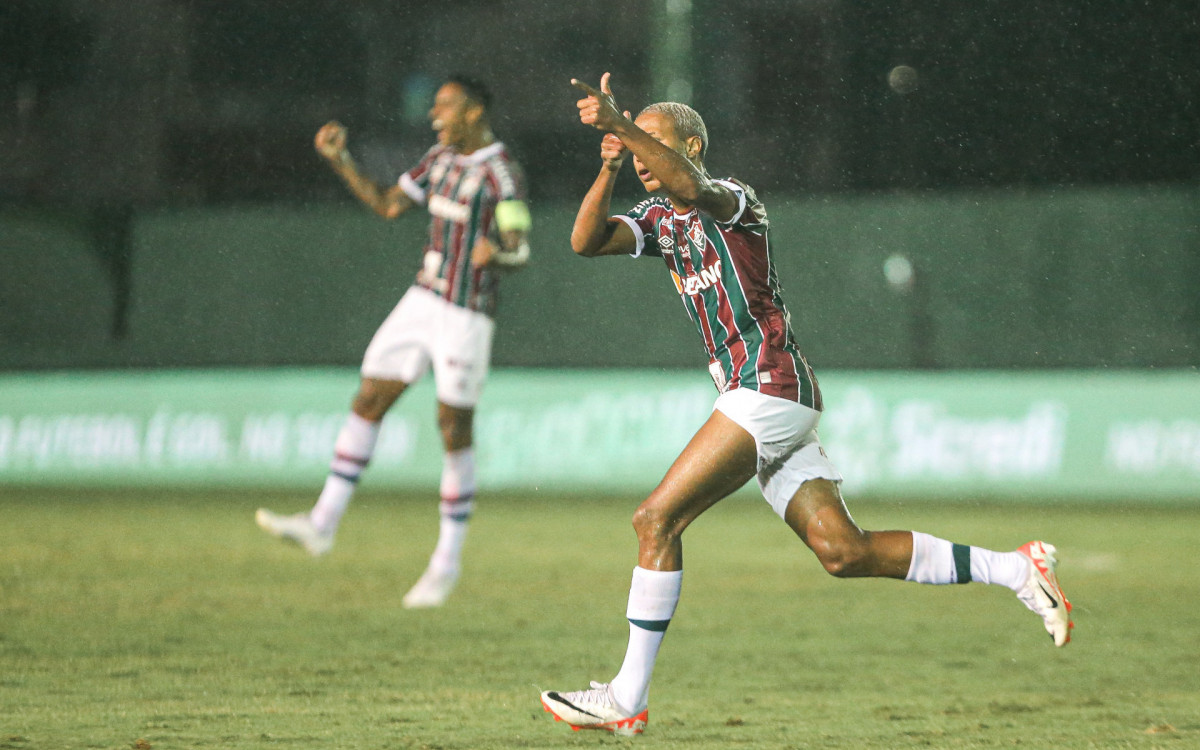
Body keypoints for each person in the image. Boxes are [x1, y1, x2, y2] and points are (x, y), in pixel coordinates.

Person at [539, 73, 1072, 736]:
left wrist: (620, 123)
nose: (643, 153)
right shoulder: (660, 219)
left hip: (767, 387)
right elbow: (584, 241)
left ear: (693, 145)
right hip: (762, 396)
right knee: (842, 551)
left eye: (655, 142)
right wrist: (612, 163)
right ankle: (1019, 569)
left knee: (656, 521)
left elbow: (692, 188)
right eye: (637, 144)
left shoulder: (731, 199)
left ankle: (627, 696)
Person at [256, 75, 531, 609]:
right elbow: (386, 205)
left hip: (465, 314)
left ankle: (445, 564)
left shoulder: (503, 174)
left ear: (473, 112)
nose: (435, 116)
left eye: (444, 107)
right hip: (422, 299)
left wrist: (497, 255)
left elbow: (520, 249)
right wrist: (341, 160)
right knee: (369, 398)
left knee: (453, 429)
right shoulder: (438, 159)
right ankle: (321, 523)